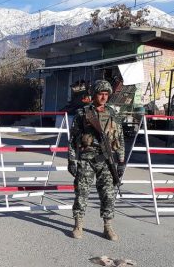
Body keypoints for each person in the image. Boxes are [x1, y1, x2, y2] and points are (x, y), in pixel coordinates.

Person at [68, 79, 125, 241]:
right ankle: (78, 224)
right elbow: (72, 139)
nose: (104, 97)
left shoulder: (113, 114)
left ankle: (108, 227)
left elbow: (119, 138)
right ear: (94, 95)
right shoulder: (83, 113)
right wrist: (72, 160)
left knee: (108, 194)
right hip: (87, 159)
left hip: (107, 161)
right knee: (82, 193)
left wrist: (121, 161)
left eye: (106, 94)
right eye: (101, 94)